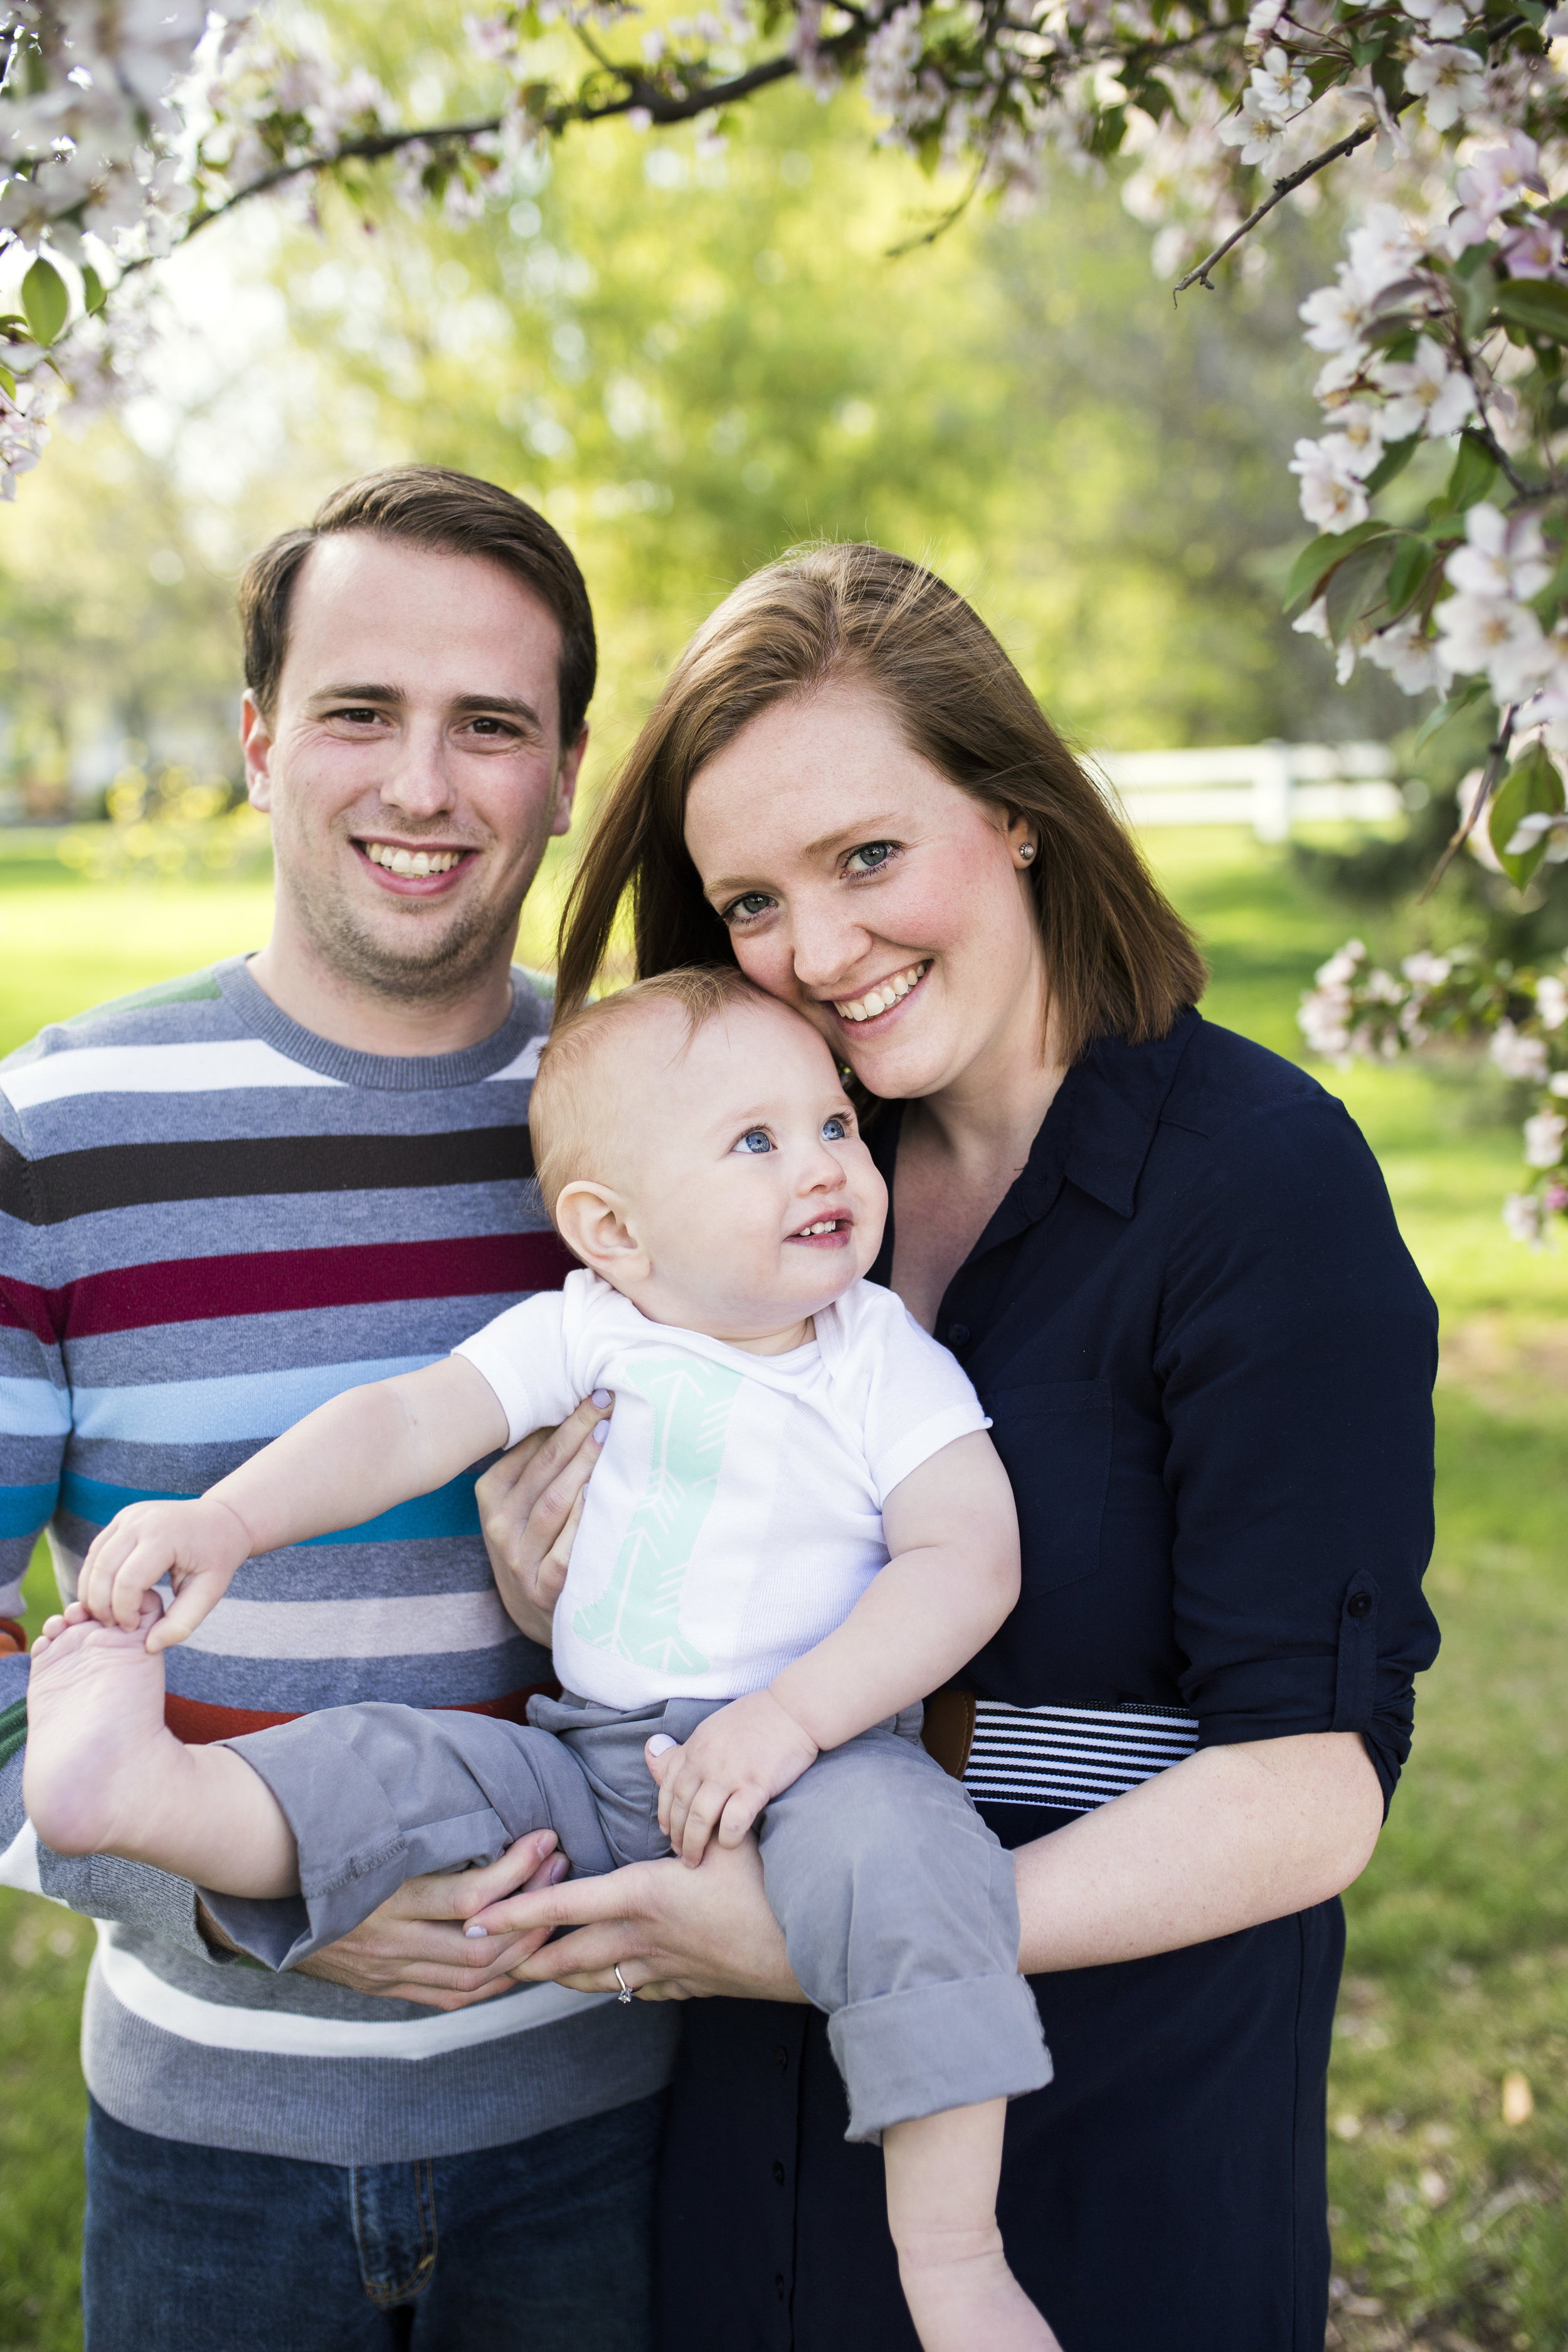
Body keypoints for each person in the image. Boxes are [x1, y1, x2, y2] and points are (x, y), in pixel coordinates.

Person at [458, 542, 1443, 2351]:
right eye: (749, 899)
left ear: (1015, 815)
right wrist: (567, 1574)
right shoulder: (759, 1180)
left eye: (864, 856)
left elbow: (1311, 1787)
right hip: (742, 2127)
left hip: (1108, 2123)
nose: (816, 953)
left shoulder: (1256, 1187)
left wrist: (846, 1941)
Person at [26, 967, 1059, 2352]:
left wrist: (794, 1722)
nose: (822, 1166)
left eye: (833, 1125)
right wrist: (228, 1518)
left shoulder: (871, 1356)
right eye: (755, 1142)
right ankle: (147, 1803)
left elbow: (965, 1561)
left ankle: (953, 2259)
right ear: (612, 1232)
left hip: (817, 1772)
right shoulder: (589, 1328)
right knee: (388, 1758)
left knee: (924, 1871)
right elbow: (402, 1424)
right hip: (582, 1762)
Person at [0, 465, 680, 2352]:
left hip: (615, 2127)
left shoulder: (668, 1120)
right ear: (258, 737)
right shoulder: (53, 1131)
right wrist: (239, 1882)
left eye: (490, 725)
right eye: (359, 711)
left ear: (561, 769)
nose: (419, 784)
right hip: (213, 2140)